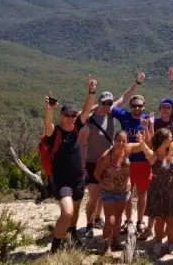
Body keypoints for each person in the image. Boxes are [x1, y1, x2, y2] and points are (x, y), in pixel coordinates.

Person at [44, 76, 97, 253]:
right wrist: (50, 109)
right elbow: (47, 125)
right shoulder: (55, 133)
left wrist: (91, 92)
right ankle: (55, 248)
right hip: (62, 181)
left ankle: (72, 236)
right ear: (61, 116)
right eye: (67, 115)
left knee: (74, 211)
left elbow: (87, 109)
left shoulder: (76, 127)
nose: (70, 118)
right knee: (66, 212)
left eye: (73, 116)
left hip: (78, 178)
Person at [93, 130, 150, 254]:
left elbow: (142, 146)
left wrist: (145, 131)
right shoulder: (107, 157)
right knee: (110, 219)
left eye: (124, 141)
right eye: (119, 140)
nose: (121, 143)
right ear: (114, 141)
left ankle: (116, 241)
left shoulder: (127, 150)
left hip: (123, 191)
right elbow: (96, 174)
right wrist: (105, 185)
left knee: (118, 217)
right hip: (108, 191)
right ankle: (106, 245)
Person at [111, 71, 152, 236]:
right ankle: (128, 221)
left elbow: (150, 144)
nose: (137, 108)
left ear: (144, 107)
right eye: (134, 105)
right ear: (130, 106)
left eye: (140, 106)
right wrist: (136, 83)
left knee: (142, 193)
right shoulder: (124, 116)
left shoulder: (148, 119)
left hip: (143, 162)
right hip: (126, 162)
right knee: (127, 193)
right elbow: (113, 105)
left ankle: (140, 221)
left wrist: (147, 127)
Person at [142, 127, 173, 257]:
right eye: (169, 135)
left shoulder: (172, 148)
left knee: (172, 219)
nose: (172, 137)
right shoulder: (154, 155)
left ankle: (170, 243)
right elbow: (145, 149)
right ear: (164, 140)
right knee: (159, 220)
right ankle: (158, 242)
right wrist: (142, 141)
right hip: (158, 190)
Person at [79, 90, 117, 238]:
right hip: (92, 163)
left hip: (108, 162)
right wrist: (83, 168)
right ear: (98, 103)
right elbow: (82, 145)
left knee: (103, 195)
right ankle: (89, 225)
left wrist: (137, 83)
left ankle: (97, 219)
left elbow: (125, 98)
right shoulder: (89, 121)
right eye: (104, 103)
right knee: (94, 197)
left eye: (109, 103)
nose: (107, 106)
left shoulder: (111, 116)